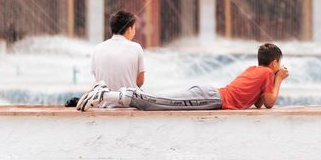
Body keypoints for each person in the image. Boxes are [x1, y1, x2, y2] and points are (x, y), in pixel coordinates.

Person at [77, 43, 288, 111]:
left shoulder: (255, 70)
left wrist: (271, 83)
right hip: (212, 98)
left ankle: (106, 96)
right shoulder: (269, 73)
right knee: (157, 103)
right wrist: (279, 79)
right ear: (274, 63)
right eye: (279, 64)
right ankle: (105, 95)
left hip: (209, 94)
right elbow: (269, 104)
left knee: (159, 102)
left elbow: (259, 103)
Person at [91, 10, 146, 92]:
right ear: (129, 29)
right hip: (127, 102)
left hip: (103, 101)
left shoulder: (98, 48)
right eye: (134, 28)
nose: (134, 32)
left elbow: (97, 78)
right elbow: (140, 81)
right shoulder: (136, 48)